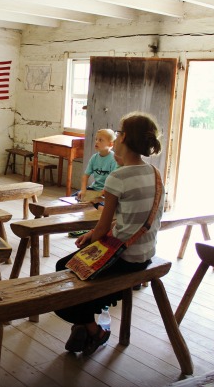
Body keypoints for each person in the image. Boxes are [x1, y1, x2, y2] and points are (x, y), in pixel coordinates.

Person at [56, 112, 165, 355]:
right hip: (145, 252)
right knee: (78, 266)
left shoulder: (118, 176)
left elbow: (104, 230)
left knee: (63, 270)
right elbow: (127, 220)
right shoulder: (155, 174)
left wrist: (91, 239)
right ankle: (84, 327)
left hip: (123, 257)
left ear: (122, 137)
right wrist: (95, 233)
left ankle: (94, 330)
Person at [68, 129, 118, 237]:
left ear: (110, 144)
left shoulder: (114, 159)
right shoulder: (94, 158)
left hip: (106, 192)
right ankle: (80, 226)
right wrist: (83, 190)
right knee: (74, 199)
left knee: (100, 208)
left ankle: (92, 229)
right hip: (95, 189)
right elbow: (85, 176)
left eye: (101, 140)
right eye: (96, 139)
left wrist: (102, 194)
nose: (96, 142)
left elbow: (113, 181)